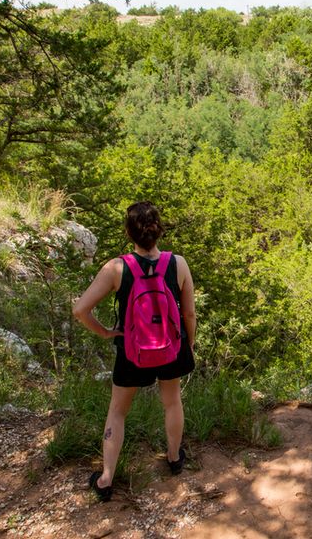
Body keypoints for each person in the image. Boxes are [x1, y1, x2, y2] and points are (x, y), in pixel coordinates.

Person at [72, 201, 196, 502]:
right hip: (171, 348)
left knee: (117, 411)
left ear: (129, 233)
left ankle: (105, 479)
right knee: (172, 401)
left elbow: (80, 310)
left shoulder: (117, 268)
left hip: (131, 350)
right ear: (159, 230)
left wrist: (106, 332)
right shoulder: (177, 263)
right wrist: (188, 345)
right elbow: (189, 313)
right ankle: (173, 457)